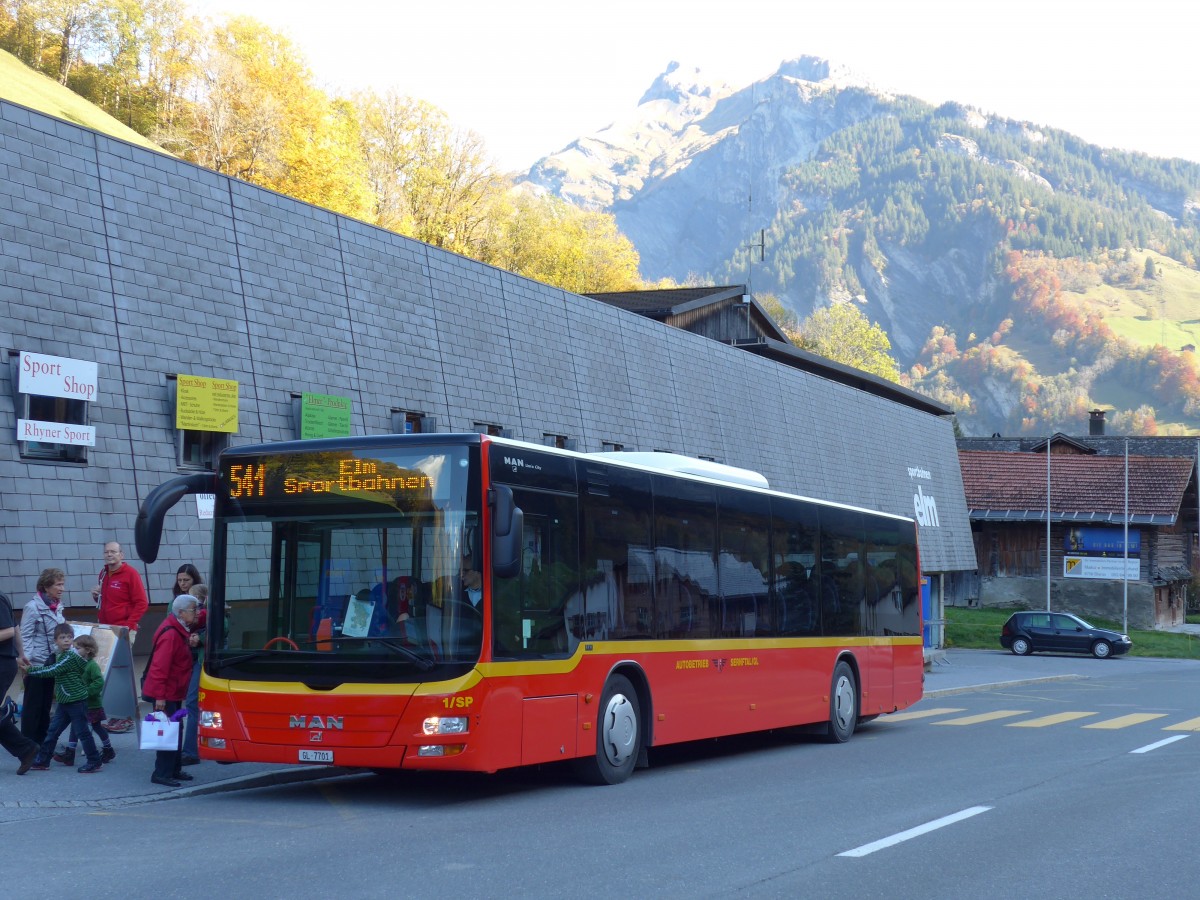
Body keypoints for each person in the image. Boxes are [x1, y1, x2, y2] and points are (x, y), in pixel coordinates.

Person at [24, 631, 104, 774]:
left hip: (76, 702)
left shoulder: (70, 657)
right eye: (63, 637)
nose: (67, 641)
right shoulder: (66, 656)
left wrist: (30, 670)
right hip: (65, 701)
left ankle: (94, 761)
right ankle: (43, 760)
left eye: (69, 638)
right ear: (55, 641)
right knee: (52, 732)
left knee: (83, 733)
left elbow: (52, 670)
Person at [142, 595, 198, 788]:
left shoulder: (177, 629)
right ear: (181, 612)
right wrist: (160, 696)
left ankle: (173, 770)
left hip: (171, 691)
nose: (196, 613)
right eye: (193, 610)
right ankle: (162, 773)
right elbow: (160, 667)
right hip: (165, 692)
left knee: (175, 729)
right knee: (168, 733)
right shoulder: (171, 633)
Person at [92, 540, 148, 733]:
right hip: (106, 630)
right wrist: (96, 597)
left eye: (113, 552)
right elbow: (107, 602)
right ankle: (116, 715)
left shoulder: (130, 574)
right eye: (106, 552)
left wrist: (128, 627)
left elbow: (142, 603)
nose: (109, 555)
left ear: (121, 555)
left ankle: (126, 718)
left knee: (122, 673)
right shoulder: (104, 574)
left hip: (122, 631)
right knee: (112, 673)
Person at [51, 630, 116, 767]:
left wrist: (85, 692)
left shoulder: (92, 665)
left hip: (91, 703)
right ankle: (70, 752)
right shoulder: (76, 663)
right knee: (76, 726)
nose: (74, 650)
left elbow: (98, 682)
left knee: (97, 727)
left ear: (88, 650)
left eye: (77, 648)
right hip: (79, 703)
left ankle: (108, 748)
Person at [19, 568, 68, 744]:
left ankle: (43, 740)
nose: (62, 588)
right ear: (47, 586)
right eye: (58, 584)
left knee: (46, 704)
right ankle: (28, 743)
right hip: (37, 663)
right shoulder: (32, 607)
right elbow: (25, 636)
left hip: (52, 662)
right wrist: (27, 663)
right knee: (33, 705)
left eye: (63, 584)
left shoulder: (58, 606)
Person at [0, 590, 40, 774]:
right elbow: (15, 628)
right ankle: (26, 749)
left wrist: (19, 654)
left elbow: (8, 629)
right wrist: (21, 654)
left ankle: (25, 748)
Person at [180, 583, 208, 765]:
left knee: (192, 703)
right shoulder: (207, 613)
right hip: (201, 660)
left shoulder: (204, 614)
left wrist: (200, 638)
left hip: (202, 661)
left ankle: (191, 750)